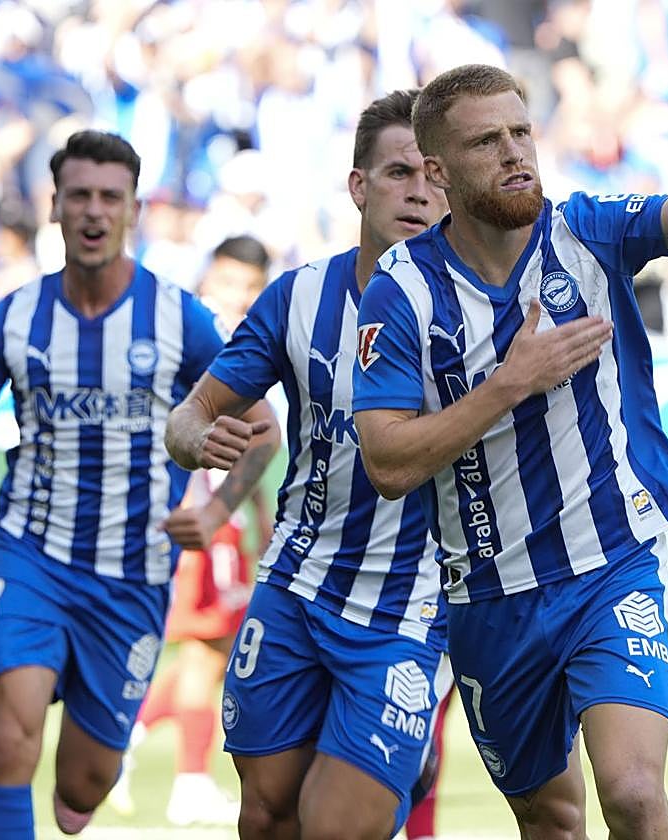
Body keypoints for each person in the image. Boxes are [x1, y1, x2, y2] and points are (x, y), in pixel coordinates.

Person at [351, 59, 668, 837]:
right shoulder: (402, 291)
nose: (514, 153)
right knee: (551, 818)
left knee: (634, 790)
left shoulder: (588, 229)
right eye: (488, 142)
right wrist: (509, 384)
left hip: (612, 563)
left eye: (522, 132)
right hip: (490, 596)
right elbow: (387, 461)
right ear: (438, 172)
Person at [0, 130, 279, 840]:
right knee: (8, 737)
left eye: (109, 197)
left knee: (82, 788)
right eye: (79, 196)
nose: (94, 211)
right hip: (28, 556)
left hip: (130, 575)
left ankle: (90, 779)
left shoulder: (178, 317)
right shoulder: (13, 317)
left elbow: (263, 426)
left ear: (132, 212)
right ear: (55, 207)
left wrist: (217, 510)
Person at [162, 89, 451, 840]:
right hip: (295, 587)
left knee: (335, 827)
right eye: (397, 173)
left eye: (433, 175)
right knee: (263, 814)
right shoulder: (298, 297)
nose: (418, 191)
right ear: (359, 187)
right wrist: (192, 439)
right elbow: (197, 411)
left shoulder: (479, 307)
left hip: (408, 608)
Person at [107, 235, 276, 826]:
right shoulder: (195, 335)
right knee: (206, 649)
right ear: (209, 281)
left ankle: (129, 739)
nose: (239, 296)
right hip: (192, 515)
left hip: (222, 518)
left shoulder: (243, 343)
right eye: (230, 283)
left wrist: (255, 510)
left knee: (221, 648)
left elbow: (250, 434)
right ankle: (188, 780)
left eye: (251, 288)